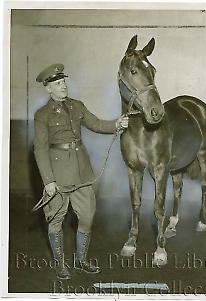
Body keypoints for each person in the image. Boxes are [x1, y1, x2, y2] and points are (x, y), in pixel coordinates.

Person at [34, 63, 128, 280]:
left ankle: (82, 260)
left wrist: (117, 124)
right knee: (55, 220)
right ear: (48, 89)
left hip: (83, 172)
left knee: (87, 216)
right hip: (57, 175)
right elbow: (39, 149)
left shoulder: (77, 106)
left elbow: (96, 124)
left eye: (63, 82)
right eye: (57, 84)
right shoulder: (43, 114)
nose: (62, 86)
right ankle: (60, 265)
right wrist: (48, 181)